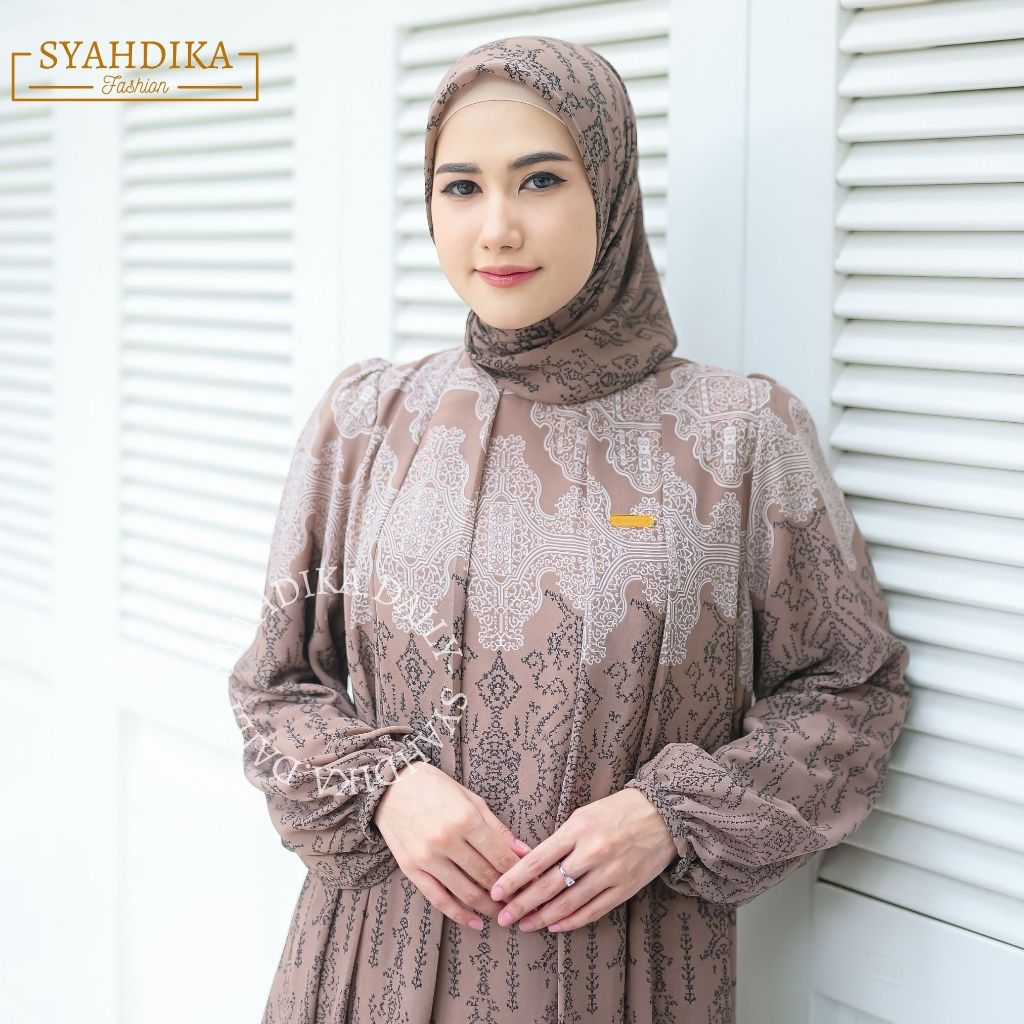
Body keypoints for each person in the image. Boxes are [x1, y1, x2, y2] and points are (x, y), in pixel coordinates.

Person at [227, 35, 912, 1023]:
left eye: (540, 179)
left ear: (610, 189)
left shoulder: (736, 435)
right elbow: (276, 684)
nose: (497, 227)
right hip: (369, 963)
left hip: (621, 976)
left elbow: (851, 691)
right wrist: (386, 787)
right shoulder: (367, 422)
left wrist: (667, 816)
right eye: (461, 187)